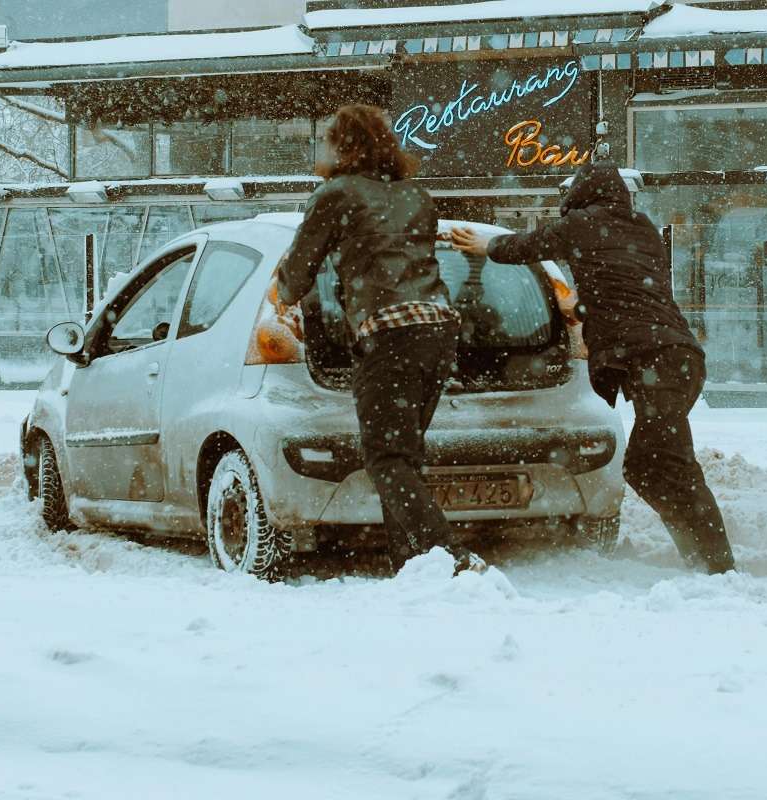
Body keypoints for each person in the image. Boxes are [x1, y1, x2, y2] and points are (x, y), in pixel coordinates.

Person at [450, 164, 736, 574]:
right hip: (674, 357)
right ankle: (706, 557)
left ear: (580, 196)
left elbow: (529, 246)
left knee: (660, 465)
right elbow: (622, 290)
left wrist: (486, 246)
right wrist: (581, 322)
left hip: (653, 358)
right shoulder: (642, 228)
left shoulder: (585, 223)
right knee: (656, 465)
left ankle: (717, 566)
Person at [273, 104, 483, 576]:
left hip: (390, 333)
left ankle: (450, 559)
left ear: (344, 146)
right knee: (404, 455)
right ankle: (412, 569)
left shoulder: (337, 194)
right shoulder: (417, 195)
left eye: (325, 141)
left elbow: (297, 273)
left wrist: (283, 290)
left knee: (386, 457)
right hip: (439, 331)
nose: (319, 150)